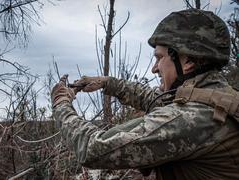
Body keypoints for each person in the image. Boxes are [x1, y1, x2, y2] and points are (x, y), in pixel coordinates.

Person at [51, 9, 239, 180]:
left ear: (188, 61)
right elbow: (158, 100)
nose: (154, 69)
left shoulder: (192, 118)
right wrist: (108, 83)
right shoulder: (216, 97)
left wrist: (61, 104)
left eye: (159, 58)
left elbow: (92, 149)